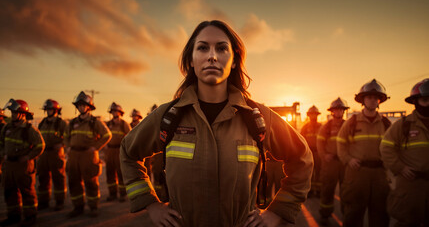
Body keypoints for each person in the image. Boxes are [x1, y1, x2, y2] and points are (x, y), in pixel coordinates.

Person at [120, 20, 313, 227]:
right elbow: (128, 152)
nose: (212, 56)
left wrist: (278, 211)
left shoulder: (259, 117)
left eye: (221, 48)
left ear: (235, 60)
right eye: (202, 48)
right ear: (191, 60)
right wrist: (150, 204)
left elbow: (302, 159)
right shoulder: (167, 116)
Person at [337, 79, 391, 227]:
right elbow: (341, 144)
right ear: (363, 100)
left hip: (380, 174)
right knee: (354, 212)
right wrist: (348, 159)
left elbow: (392, 148)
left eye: (375, 98)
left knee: (380, 213)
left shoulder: (386, 124)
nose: (372, 101)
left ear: (379, 101)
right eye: (369, 97)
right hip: (357, 172)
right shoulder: (352, 122)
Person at [380, 78, 429, 227]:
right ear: (415, 101)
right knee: (407, 220)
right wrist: (400, 167)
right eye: (425, 100)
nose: (428, 104)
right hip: (410, 183)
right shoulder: (403, 125)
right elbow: (386, 147)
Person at [64, 91, 112, 218]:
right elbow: (65, 136)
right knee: (74, 181)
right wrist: (68, 147)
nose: (81, 107)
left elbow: (107, 135)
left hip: (88, 156)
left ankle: (93, 207)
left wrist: (95, 148)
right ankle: (78, 207)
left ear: (89, 107)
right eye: (79, 105)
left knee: (91, 182)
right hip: (74, 155)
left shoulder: (94, 122)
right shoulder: (73, 122)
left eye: (83, 105)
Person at [0, 99, 45, 226]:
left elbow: (40, 146)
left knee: (27, 192)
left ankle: (30, 217)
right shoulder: (6, 128)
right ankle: (13, 216)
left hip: (23, 166)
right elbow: (1, 144)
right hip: (9, 165)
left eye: (15, 112)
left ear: (22, 114)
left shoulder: (29, 130)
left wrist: (28, 157)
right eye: (12, 112)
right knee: (10, 191)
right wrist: (4, 154)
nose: (12, 115)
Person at [317, 97, 349, 225]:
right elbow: (320, 142)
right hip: (330, 163)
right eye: (336, 110)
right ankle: (325, 213)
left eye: (341, 110)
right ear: (332, 112)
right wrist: (324, 155)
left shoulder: (348, 125)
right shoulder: (327, 127)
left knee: (346, 189)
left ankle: (346, 213)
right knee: (327, 188)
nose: (338, 112)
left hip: (344, 162)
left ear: (343, 111)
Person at [36, 99, 67, 211]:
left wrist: (61, 144)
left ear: (55, 110)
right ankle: (43, 201)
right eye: (47, 109)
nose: (48, 111)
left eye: (50, 109)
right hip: (43, 154)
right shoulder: (42, 123)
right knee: (43, 178)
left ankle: (60, 202)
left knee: (58, 178)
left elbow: (68, 137)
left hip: (56, 154)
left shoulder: (61, 123)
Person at [105, 102, 131, 202]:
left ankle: (123, 194)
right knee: (109, 172)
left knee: (120, 173)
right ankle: (112, 194)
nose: (114, 113)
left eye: (116, 111)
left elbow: (129, 137)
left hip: (119, 150)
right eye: (113, 111)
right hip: (110, 151)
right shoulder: (108, 124)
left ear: (120, 113)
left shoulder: (124, 124)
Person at [301, 105, 322, 197]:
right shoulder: (305, 127)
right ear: (309, 116)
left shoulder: (322, 127)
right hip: (309, 153)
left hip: (319, 153)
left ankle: (318, 191)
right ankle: (309, 191)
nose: (313, 116)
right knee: (309, 173)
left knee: (319, 172)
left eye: (315, 114)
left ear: (317, 115)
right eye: (311, 114)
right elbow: (301, 140)